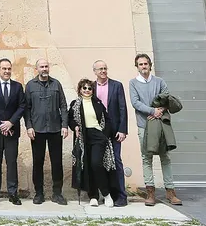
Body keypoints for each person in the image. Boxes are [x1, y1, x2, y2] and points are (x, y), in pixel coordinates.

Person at [129, 53, 182, 206]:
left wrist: (161, 110)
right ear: (137, 67)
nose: (143, 66)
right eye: (140, 64)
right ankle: (150, 193)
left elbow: (167, 98)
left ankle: (170, 192)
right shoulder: (133, 83)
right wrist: (153, 111)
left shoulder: (159, 81)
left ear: (150, 65)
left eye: (145, 64)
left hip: (160, 125)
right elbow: (135, 102)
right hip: (144, 126)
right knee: (147, 158)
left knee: (165, 157)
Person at [24, 58, 69, 205]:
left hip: (55, 129)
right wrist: (29, 126)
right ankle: (39, 193)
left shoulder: (56, 84)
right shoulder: (30, 86)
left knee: (57, 162)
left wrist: (64, 125)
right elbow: (27, 108)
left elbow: (63, 105)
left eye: (46, 66)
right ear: (36, 69)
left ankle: (57, 193)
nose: (44, 69)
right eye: (41, 67)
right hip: (37, 130)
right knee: (38, 162)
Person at [0, 57, 26, 205]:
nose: (7, 71)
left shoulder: (17, 87)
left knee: (12, 162)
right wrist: (2, 125)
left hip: (12, 131)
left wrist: (10, 123)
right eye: (4, 68)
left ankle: (13, 193)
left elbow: (22, 106)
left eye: (9, 68)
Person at [69, 78, 116, 207]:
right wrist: (75, 127)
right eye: (84, 88)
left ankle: (106, 194)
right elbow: (70, 119)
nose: (87, 90)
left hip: (97, 136)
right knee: (87, 166)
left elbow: (107, 120)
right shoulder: (75, 104)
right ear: (80, 90)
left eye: (89, 88)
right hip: (83, 137)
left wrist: (104, 135)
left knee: (96, 164)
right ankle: (93, 196)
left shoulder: (98, 103)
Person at [92, 60, 129, 207]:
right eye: (100, 69)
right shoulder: (91, 87)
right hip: (97, 131)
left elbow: (122, 108)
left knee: (116, 162)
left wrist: (122, 129)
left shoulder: (116, 85)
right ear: (94, 71)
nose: (103, 71)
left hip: (114, 131)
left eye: (105, 68)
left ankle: (121, 195)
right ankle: (105, 194)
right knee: (99, 163)